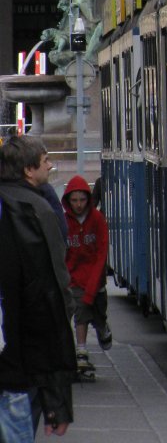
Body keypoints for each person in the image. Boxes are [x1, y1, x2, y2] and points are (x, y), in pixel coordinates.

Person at [0, 136, 76, 438]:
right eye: (45, 161)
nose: (50, 166)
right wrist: (57, 400)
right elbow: (50, 302)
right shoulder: (35, 211)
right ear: (29, 170)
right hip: (17, 368)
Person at [62, 176, 112, 382]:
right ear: (68, 201)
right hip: (75, 279)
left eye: (82, 200)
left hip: (95, 277)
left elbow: (101, 254)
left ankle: (102, 327)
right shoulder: (65, 223)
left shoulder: (97, 220)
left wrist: (94, 284)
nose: (78, 205)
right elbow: (63, 253)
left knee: (98, 312)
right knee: (81, 309)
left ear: (88, 199)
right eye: (74, 201)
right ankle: (81, 351)